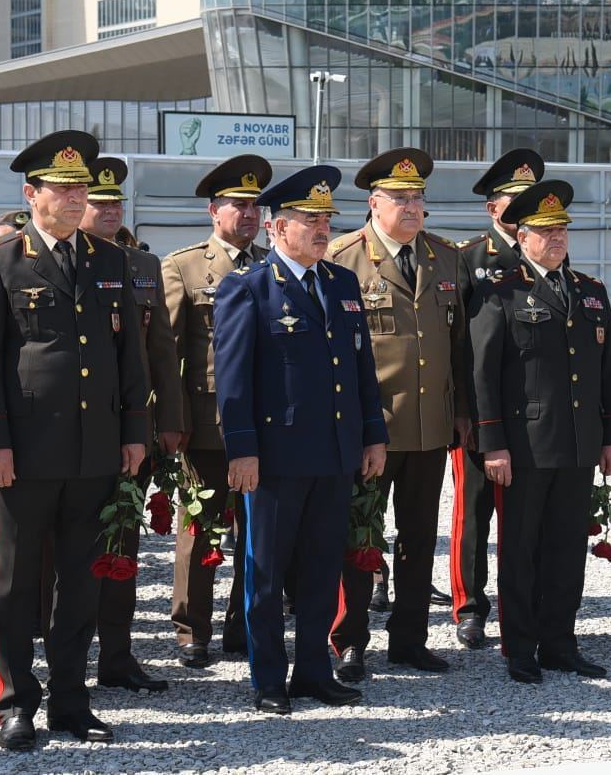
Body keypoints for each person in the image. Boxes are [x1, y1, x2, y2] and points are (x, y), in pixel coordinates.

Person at [0, 130, 150, 750]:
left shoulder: (110, 260)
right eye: (62, 189)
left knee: (83, 580)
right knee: (13, 586)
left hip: (94, 452)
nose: (75, 199)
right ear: (31, 193)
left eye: (81, 189)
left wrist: (132, 433)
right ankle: (14, 702)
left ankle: (71, 699)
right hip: (24, 453)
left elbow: (130, 358)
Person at [212, 165, 389, 715]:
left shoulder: (340, 283)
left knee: (321, 569)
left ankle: (313, 669)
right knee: (265, 574)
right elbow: (233, 380)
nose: (320, 228)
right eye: (308, 219)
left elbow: (361, 371)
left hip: (334, 455)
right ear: (275, 228)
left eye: (325, 219)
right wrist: (241, 448)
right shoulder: (248, 288)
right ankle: (268, 678)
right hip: (276, 460)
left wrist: (372, 436)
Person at [468, 179, 611, 683]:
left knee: (565, 547)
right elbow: (483, 374)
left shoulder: (591, 291)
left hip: (579, 443)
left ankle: (560, 641)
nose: (556, 239)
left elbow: (609, 371)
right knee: (520, 548)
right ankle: (519, 647)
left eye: (561, 230)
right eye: (545, 231)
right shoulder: (502, 290)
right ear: (523, 235)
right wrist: (492, 443)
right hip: (526, 446)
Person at [327, 149, 470, 682]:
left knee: (417, 537)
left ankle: (410, 639)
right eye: (401, 199)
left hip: (430, 427)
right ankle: (349, 640)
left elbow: (458, 348)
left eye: (419, 198)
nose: (413, 208)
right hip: (372, 430)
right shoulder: (344, 259)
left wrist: (461, 413)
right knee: (359, 536)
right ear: (373, 203)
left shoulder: (444, 257)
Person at [75, 156, 184, 693]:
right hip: (68, 431)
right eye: (100, 201)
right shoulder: (53, 262)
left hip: (129, 429)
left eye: (116, 201)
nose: (110, 209)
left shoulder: (142, 265)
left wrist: (171, 423)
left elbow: (162, 351)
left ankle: (116, 655)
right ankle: (61, 660)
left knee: (121, 542)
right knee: (63, 551)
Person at [159, 155, 271, 668]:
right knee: (200, 526)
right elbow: (167, 353)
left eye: (254, 206)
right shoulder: (184, 267)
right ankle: (191, 627)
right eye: (238, 205)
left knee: (258, 530)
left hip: (267, 422)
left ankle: (241, 624)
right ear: (213, 211)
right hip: (206, 421)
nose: (248, 214)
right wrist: (173, 421)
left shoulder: (274, 263)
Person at [450, 147, 544, 650]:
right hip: (481, 412)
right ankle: (469, 605)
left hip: (531, 414)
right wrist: (464, 411)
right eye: (516, 198)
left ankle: (521, 604)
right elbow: (459, 344)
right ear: (493, 208)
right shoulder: (468, 258)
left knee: (524, 514)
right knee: (474, 509)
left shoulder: (548, 251)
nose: (527, 205)